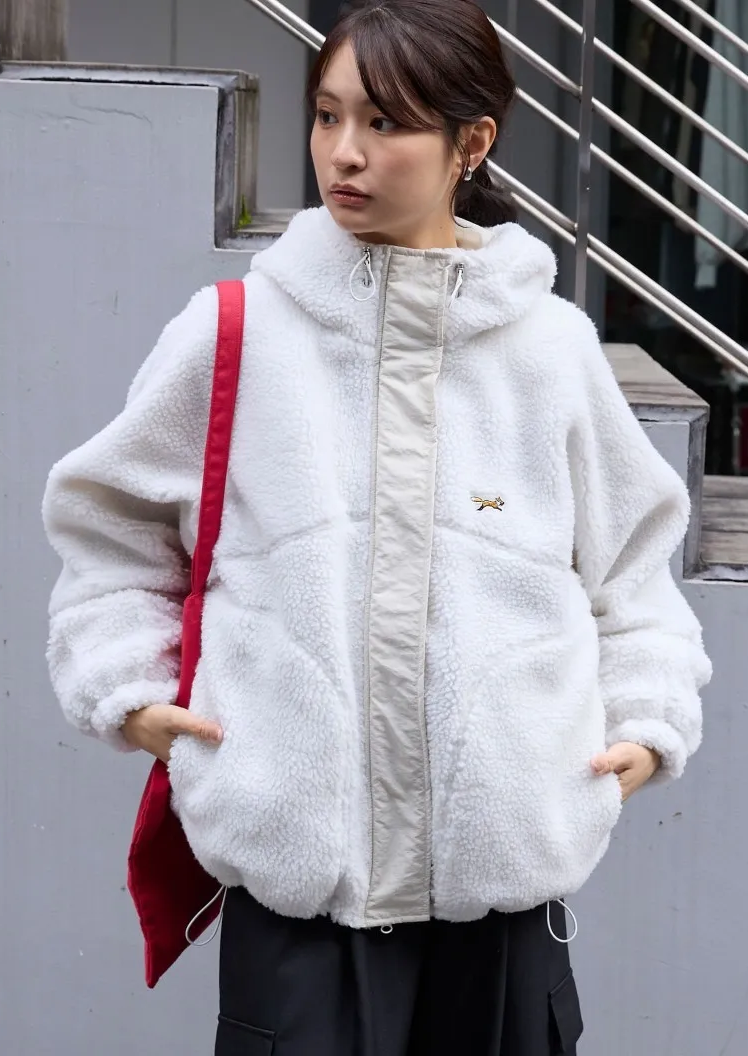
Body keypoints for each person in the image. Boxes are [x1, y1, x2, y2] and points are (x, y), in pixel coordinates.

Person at [42, 1, 712, 1052]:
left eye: (385, 122)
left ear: (471, 142)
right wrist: (131, 695)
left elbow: (633, 573)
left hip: (502, 894)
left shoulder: (550, 350)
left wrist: (647, 722)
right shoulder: (236, 332)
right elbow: (109, 532)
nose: (343, 153)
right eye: (327, 115)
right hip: (300, 893)